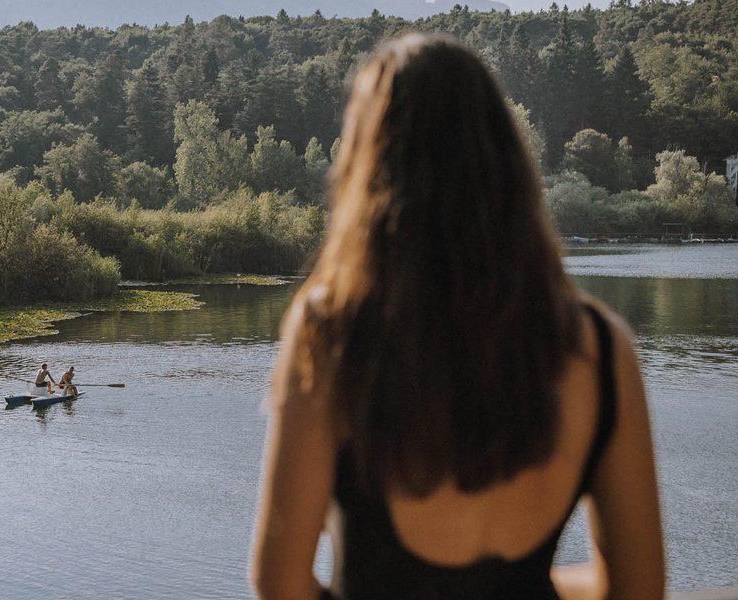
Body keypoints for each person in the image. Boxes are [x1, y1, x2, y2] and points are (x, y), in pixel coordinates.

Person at [250, 34, 664, 600]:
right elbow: (639, 591)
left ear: (369, 168)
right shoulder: (600, 348)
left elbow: (281, 586)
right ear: (508, 166)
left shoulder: (332, 330)